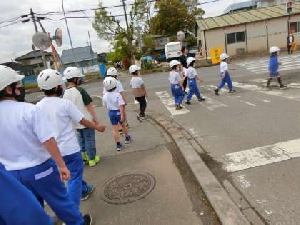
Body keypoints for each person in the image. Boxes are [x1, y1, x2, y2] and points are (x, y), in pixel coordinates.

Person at [0, 65, 92, 225]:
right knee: (60, 201)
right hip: (40, 168)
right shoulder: (28, 110)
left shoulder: (36, 106)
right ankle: (78, 223)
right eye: (17, 84)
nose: (20, 88)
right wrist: (62, 165)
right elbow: (47, 140)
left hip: (11, 173)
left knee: (33, 206)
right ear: (8, 89)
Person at [36, 69, 106, 205]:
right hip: (70, 149)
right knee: (73, 178)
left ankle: (84, 189)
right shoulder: (64, 104)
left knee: (74, 173)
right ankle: (73, 214)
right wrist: (97, 126)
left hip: (54, 152)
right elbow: (83, 120)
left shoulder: (38, 106)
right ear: (57, 87)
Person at [63, 67, 100, 167]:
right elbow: (89, 106)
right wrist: (95, 120)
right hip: (87, 120)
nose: (80, 79)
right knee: (89, 140)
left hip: (76, 122)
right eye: (79, 78)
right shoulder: (80, 90)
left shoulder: (65, 93)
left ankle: (84, 157)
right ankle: (92, 159)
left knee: (81, 140)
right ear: (75, 79)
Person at [102, 77, 132, 151]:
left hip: (111, 112)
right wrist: (122, 115)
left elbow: (105, 105)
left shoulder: (105, 96)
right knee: (123, 126)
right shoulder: (118, 95)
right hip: (118, 112)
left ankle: (118, 145)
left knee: (115, 129)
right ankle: (127, 138)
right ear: (115, 86)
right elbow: (121, 105)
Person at [103, 67, 129, 134]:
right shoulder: (117, 82)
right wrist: (125, 101)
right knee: (122, 113)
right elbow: (121, 92)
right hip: (118, 100)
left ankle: (119, 128)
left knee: (113, 117)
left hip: (110, 102)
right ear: (115, 75)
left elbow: (104, 93)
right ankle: (124, 125)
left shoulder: (105, 82)